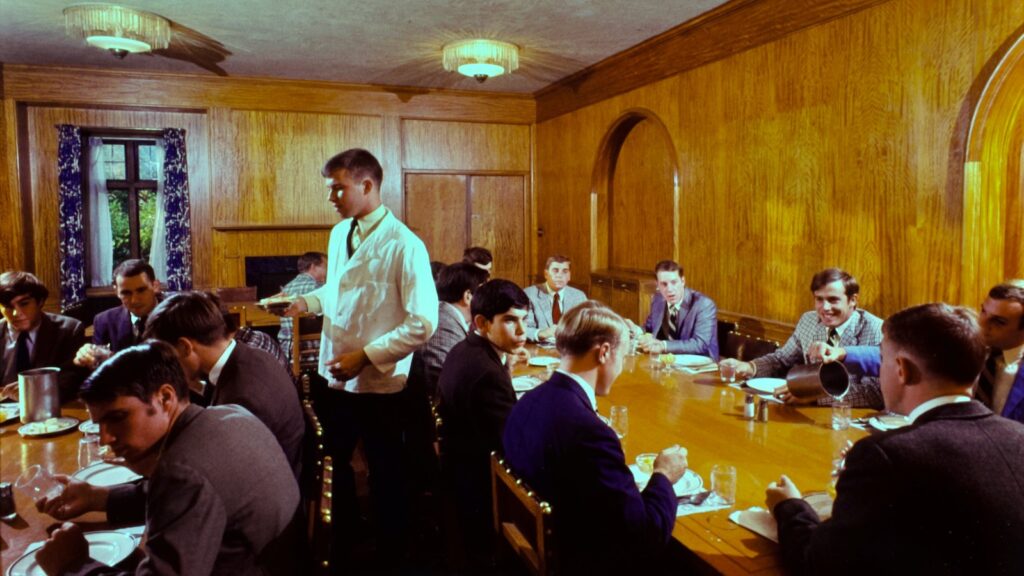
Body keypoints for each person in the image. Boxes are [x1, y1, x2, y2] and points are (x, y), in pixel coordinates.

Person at [765, 303, 1024, 575]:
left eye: (882, 359)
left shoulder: (884, 456)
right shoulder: (1019, 437)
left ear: (902, 369)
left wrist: (789, 506)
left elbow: (819, 565)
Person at [282, 148, 438, 565]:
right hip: (337, 372)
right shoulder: (339, 234)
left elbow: (424, 322)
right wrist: (305, 305)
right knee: (334, 463)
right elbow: (339, 291)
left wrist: (366, 357)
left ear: (367, 185)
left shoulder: (406, 245)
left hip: (381, 381)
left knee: (388, 472)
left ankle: (391, 554)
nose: (331, 198)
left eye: (338, 188)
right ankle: (344, 542)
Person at [33, 341, 302, 576]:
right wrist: (97, 498)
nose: (105, 438)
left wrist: (72, 565)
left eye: (117, 418)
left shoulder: (181, 472)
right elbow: (195, 498)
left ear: (165, 398)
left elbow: (185, 488)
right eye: (99, 424)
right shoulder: (230, 414)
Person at [504, 301, 689, 574]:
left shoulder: (528, 399)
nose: (622, 368)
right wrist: (663, 475)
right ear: (603, 352)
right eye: (623, 358)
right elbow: (644, 538)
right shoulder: (590, 434)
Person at [809, 279, 1024, 423]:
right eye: (983, 311)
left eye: (998, 322)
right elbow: (909, 357)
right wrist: (844, 353)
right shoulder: (970, 342)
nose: (982, 324)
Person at [144, 291, 304, 480]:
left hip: (264, 497)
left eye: (167, 357)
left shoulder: (242, 397)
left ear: (186, 347)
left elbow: (213, 478)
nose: (167, 367)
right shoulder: (249, 356)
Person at [436, 279, 529, 569]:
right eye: (510, 321)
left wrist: (507, 365)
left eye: (524, 320)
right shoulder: (484, 372)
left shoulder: (467, 350)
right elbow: (512, 446)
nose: (522, 331)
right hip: (480, 487)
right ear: (482, 322)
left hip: (459, 469)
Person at [720, 268, 883, 407]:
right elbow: (781, 359)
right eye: (819, 299)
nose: (825, 308)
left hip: (847, 418)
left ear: (853, 300)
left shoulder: (875, 328)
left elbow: (874, 393)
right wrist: (750, 367)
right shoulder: (809, 320)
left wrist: (815, 396)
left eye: (833, 300)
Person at [0, 271, 86, 401]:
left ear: (40, 302)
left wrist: (32, 389)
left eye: (24, 304)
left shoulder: (68, 330)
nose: (16, 313)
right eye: (7, 306)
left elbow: (71, 382)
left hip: (48, 408)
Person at [74, 259, 162, 369]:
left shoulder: (176, 315)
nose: (134, 300)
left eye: (141, 290)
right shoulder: (104, 321)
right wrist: (86, 356)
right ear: (116, 292)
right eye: (126, 293)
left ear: (155, 286)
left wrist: (112, 358)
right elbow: (98, 371)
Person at [417, 262, 490, 396]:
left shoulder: (448, 315)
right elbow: (446, 380)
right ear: (468, 296)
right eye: (483, 294)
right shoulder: (443, 324)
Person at [630, 260, 719, 359]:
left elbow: (700, 344)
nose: (669, 289)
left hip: (701, 366)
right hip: (668, 362)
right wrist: (636, 331)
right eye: (664, 284)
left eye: (674, 282)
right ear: (657, 285)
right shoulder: (658, 300)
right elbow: (649, 328)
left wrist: (663, 345)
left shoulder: (704, 304)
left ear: (683, 281)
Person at [524, 255, 587, 343]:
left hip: (571, 347)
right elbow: (523, 329)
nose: (559, 276)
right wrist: (541, 333)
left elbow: (587, 328)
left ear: (569, 276)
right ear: (546, 274)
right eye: (555, 271)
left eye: (565, 271)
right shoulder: (529, 294)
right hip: (541, 348)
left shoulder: (579, 296)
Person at [276, 251, 327, 361]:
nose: (327, 271)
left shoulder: (286, 289)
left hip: (287, 352)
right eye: (325, 267)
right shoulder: (319, 289)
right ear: (313, 267)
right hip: (313, 352)